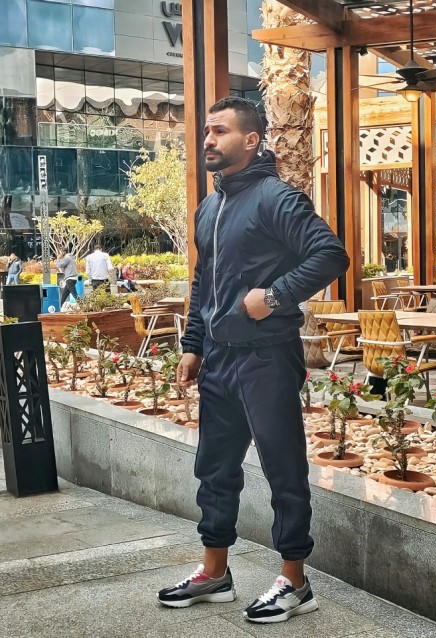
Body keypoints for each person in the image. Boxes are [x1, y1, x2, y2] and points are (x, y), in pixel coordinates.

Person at [157, 97, 349, 623]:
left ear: (251, 140)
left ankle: (295, 581)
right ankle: (214, 572)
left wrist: (275, 296)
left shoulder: (277, 199)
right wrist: (193, 345)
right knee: (214, 470)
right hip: (218, 358)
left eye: (219, 132)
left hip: (266, 358)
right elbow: (203, 283)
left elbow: (330, 254)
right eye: (207, 132)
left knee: (282, 469)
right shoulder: (209, 207)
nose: (209, 140)